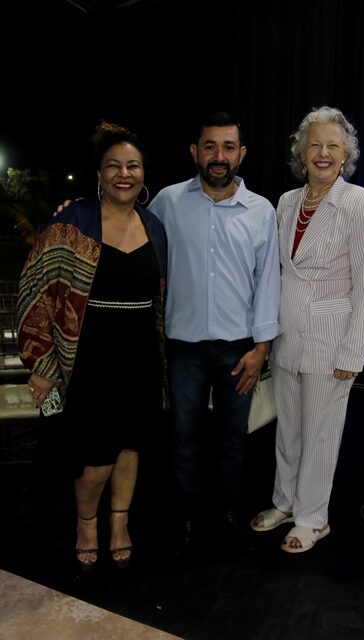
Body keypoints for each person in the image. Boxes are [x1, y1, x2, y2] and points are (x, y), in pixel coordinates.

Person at [17, 121, 167, 571]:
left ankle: (119, 520)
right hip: (89, 355)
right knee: (95, 450)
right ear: (99, 173)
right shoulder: (73, 219)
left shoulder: (155, 225)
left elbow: (162, 295)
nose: (125, 173)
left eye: (133, 165)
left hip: (140, 351)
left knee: (131, 444)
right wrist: (41, 361)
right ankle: (86, 523)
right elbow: (33, 287)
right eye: (114, 165)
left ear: (143, 173)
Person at [250, 106, 364, 553]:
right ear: (302, 153)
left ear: (346, 154)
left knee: (322, 433)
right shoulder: (287, 202)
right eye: (315, 145)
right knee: (288, 428)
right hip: (287, 337)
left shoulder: (361, 203)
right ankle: (285, 502)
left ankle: (313, 517)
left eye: (333, 145)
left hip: (332, 342)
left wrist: (352, 353)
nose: (323, 153)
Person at [148, 111, 281, 551]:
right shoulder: (167, 202)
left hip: (238, 348)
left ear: (241, 153)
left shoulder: (262, 211)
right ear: (194, 152)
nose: (218, 156)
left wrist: (262, 347)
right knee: (184, 435)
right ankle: (188, 512)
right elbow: (127, 235)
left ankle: (224, 512)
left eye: (228, 147)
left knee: (232, 439)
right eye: (210, 147)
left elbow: (268, 284)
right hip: (182, 347)